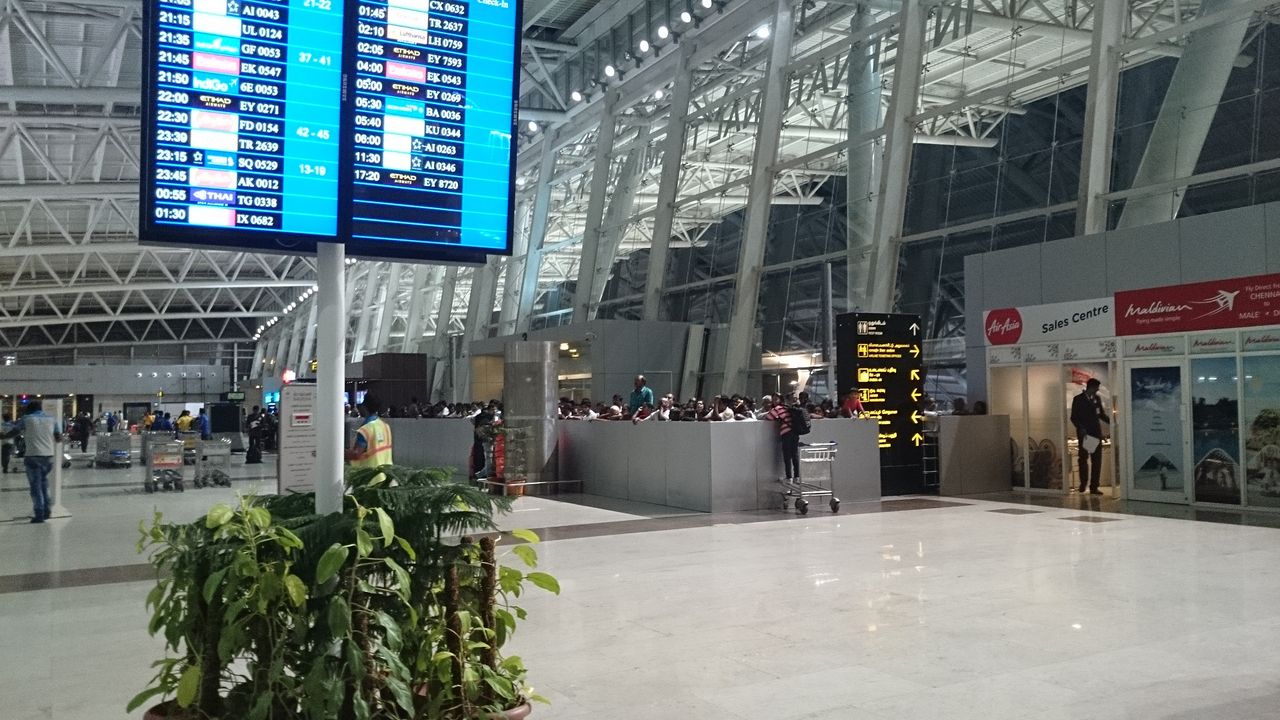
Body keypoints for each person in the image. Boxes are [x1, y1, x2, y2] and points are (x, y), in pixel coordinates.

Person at [6, 401, 62, 523]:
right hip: (48, 456)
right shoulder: (52, 419)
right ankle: (47, 511)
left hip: (33, 456)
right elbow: (58, 438)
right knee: (44, 484)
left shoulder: (26, 419)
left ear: (29, 409)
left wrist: (2, 436)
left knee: (35, 487)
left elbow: (14, 432)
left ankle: (39, 514)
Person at [1070, 378, 1110, 495]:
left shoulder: (1097, 399)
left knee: (1096, 461)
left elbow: (1101, 414)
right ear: (1091, 387)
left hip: (1095, 433)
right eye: (1097, 388)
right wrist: (1081, 428)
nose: (1097, 390)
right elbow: (1074, 417)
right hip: (1086, 434)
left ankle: (1094, 486)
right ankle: (1083, 483)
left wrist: (1112, 422)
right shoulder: (1078, 399)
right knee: (1083, 459)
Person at [346, 394, 394, 469]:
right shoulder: (386, 426)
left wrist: (340, 453)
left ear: (364, 407)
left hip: (370, 474)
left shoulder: (366, 430)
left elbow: (356, 454)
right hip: (386, 474)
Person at [767, 393, 801, 482]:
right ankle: (797, 476)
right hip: (795, 432)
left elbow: (768, 417)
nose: (774, 401)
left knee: (787, 456)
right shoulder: (787, 408)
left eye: (776, 399)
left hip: (786, 433)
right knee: (795, 455)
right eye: (773, 399)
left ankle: (789, 477)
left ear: (780, 400)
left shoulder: (777, 408)